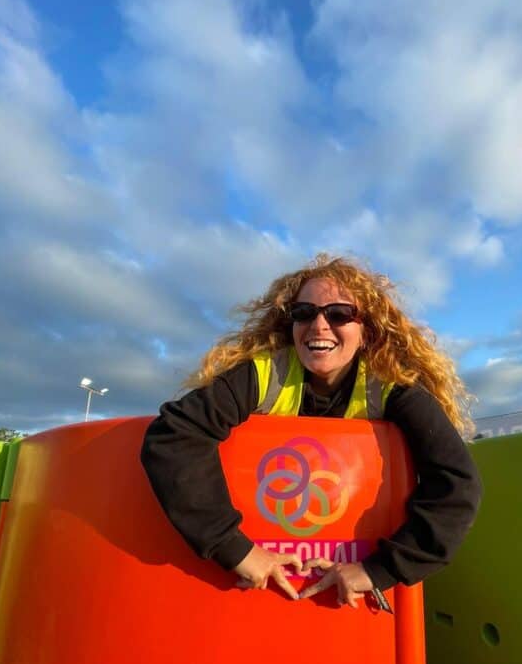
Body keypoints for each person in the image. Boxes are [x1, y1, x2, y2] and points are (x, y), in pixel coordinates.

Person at [141, 254, 482, 608]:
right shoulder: (261, 375)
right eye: (304, 313)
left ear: (367, 330)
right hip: (250, 596)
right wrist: (235, 549)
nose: (319, 325)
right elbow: (174, 436)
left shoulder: (393, 388)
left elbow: (457, 486)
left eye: (339, 314)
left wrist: (379, 570)